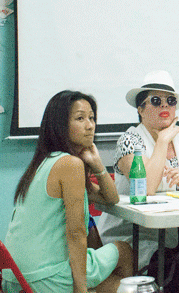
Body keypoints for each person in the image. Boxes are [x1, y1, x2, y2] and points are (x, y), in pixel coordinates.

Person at [97, 71, 179, 293]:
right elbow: (146, 187)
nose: (164, 105)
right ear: (141, 109)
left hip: (173, 228)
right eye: (156, 101)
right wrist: (163, 140)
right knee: (176, 270)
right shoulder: (129, 140)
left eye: (170, 100)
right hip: (135, 233)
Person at [2, 90, 133, 293]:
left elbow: (111, 198)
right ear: (60, 125)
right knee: (124, 251)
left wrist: (97, 165)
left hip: (13, 276)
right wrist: (80, 290)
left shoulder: (44, 162)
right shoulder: (69, 164)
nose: (90, 126)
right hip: (45, 277)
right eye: (80, 118)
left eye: (92, 118)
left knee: (111, 273)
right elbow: (76, 234)